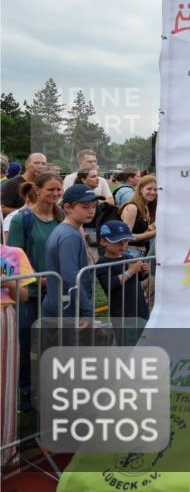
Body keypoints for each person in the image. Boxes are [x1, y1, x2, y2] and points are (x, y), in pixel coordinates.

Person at [6, 172, 62, 409]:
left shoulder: (61, 217)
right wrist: (39, 280)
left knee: (52, 342)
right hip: (30, 295)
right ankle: (25, 392)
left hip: (57, 293)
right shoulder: (22, 219)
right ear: (37, 190)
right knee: (26, 343)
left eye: (59, 190)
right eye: (51, 189)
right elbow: (12, 258)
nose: (56, 194)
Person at [43, 184, 98, 320]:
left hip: (60, 302)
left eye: (93, 206)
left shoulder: (63, 230)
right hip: (68, 306)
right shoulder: (70, 236)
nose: (91, 211)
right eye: (85, 207)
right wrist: (86, 309)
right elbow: (71, 276)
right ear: (68, 208)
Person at [1, 244, 34, 464]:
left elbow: (23, 296)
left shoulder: (13, 253)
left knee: (4, 385)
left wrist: (8, 282)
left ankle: (5, 452)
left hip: (4, 319)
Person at [95, 221, 150, 319]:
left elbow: (136, 279)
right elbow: (109, 284)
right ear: (103, 241)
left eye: (125, 241)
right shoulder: (103, 262)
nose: (122, 245)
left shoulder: (128, 257)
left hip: (140, 308)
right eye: (117, 241)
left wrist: (143, 272)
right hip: (122, 313)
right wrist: (131, 271)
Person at [120, 175, 157, 258]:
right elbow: (126, 237)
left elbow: (140, 232)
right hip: (129, 253)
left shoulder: (146, 208)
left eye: (155, 190)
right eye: (149, 189)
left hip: (140, 253)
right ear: (140, 189)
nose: (153, 192)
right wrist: (154, 232)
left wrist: (152, 226)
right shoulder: (132, 208)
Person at [1, 152, 47, 217]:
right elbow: (2, 209)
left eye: (43, 164)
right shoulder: (12, 184)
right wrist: (25, 211)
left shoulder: (45, 184)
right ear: (26, 164)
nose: (40, 166)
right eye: (36, 163)